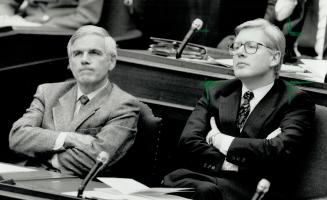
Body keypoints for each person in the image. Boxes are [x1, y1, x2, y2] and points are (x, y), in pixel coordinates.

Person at [163, 19, 315, 200]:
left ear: (274, 58)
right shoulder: (216, 91)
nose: (240, 53)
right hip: (203, 179)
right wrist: (234, 164)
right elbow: (188, 142)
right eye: (236, 46)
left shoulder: (294, 100)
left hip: (253, 191)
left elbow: (280, 151)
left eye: (251, 46)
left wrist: (220, 141)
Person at [9, 25, 140, 177]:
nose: (84, 60)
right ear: (70, 63)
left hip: (81, 189)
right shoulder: (48, 92)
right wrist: (68, 138)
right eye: (77, 53)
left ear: (111, 61)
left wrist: (43, 153)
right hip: (31, 180)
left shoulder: (123, 104)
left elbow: (97, 159)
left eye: (94, 52)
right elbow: (17, 137)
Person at [0, 0, 104, 30]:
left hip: (63, 32)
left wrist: (42, 27)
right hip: (23, 27)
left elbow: (86, 17)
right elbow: (6, 3)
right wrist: (5, 20)